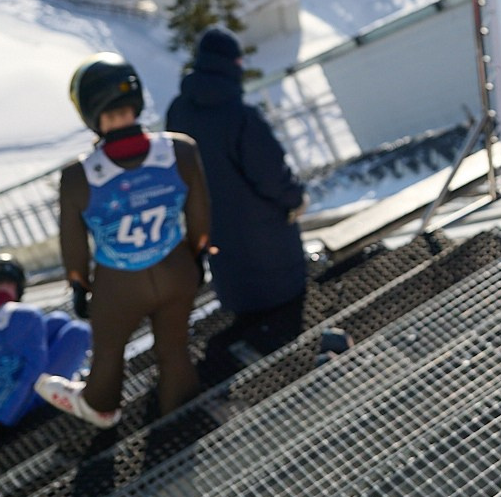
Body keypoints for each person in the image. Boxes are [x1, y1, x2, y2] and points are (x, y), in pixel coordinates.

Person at [35, 53, 211, 426]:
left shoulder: (78, 177)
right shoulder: (180, 150)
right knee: (174, 349)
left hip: (119, 284)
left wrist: (80, 285)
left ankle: (100, 404)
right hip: (175, 267)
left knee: (110, 350)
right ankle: (180, 417)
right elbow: (199, 216)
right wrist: (197, 256)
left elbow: (74, 243)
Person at [162, 26, 309, 329]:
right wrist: (296, 199)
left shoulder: (177, 112)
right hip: (272, 258)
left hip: (224, 255)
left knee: (250, 330)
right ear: (233, 65)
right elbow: (271, 176)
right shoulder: (241, 116)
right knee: (289, 330)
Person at [0, 253, 92, 431]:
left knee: (58, 320)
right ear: (19, 286)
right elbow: (34, 369)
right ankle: (76, 378)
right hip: (27, 407)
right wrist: (13, 409)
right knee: (78, 331)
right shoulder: (26, 316)